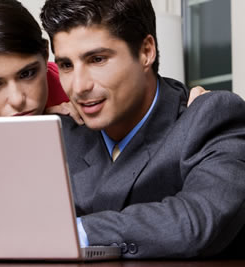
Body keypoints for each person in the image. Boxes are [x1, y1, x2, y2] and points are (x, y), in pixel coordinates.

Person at [40, 0, 245, 259]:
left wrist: (75, 232)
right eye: (67, 65)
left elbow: (197, 220)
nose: (78, 86)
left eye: (97, 59)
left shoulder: (210, 116)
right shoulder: (60, 134)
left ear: (146, 51)